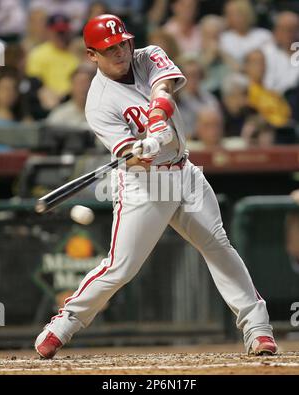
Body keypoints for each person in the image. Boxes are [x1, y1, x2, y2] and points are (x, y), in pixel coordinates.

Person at [35, 14, 278, 359]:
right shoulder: (98, 103)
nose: (120, 52)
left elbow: (163, 88)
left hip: (185, 172)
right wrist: (142, 150)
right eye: (109, 49)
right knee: (122, 266)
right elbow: (129, 158)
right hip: (145, 185)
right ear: (92, 55)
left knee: (217, 244)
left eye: (122, 43)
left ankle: (258, 329)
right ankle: (64, 324)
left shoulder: (148, 55)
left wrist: (157, 123)